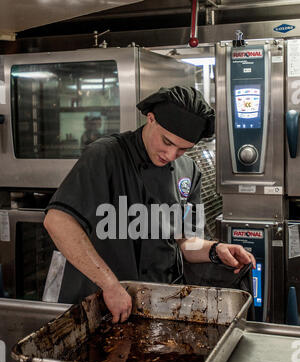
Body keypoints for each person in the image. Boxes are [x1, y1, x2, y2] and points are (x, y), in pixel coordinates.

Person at [44, 86, 256, 323]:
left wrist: (215, 250)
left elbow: (186, 241)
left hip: (159, 304)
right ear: (150, 119)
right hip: (99, 303)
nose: (171, 153)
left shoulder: (189, 171)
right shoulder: (106, 156)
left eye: (183, 149)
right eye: (167, 141)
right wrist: (110, 285)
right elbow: (57, 221)